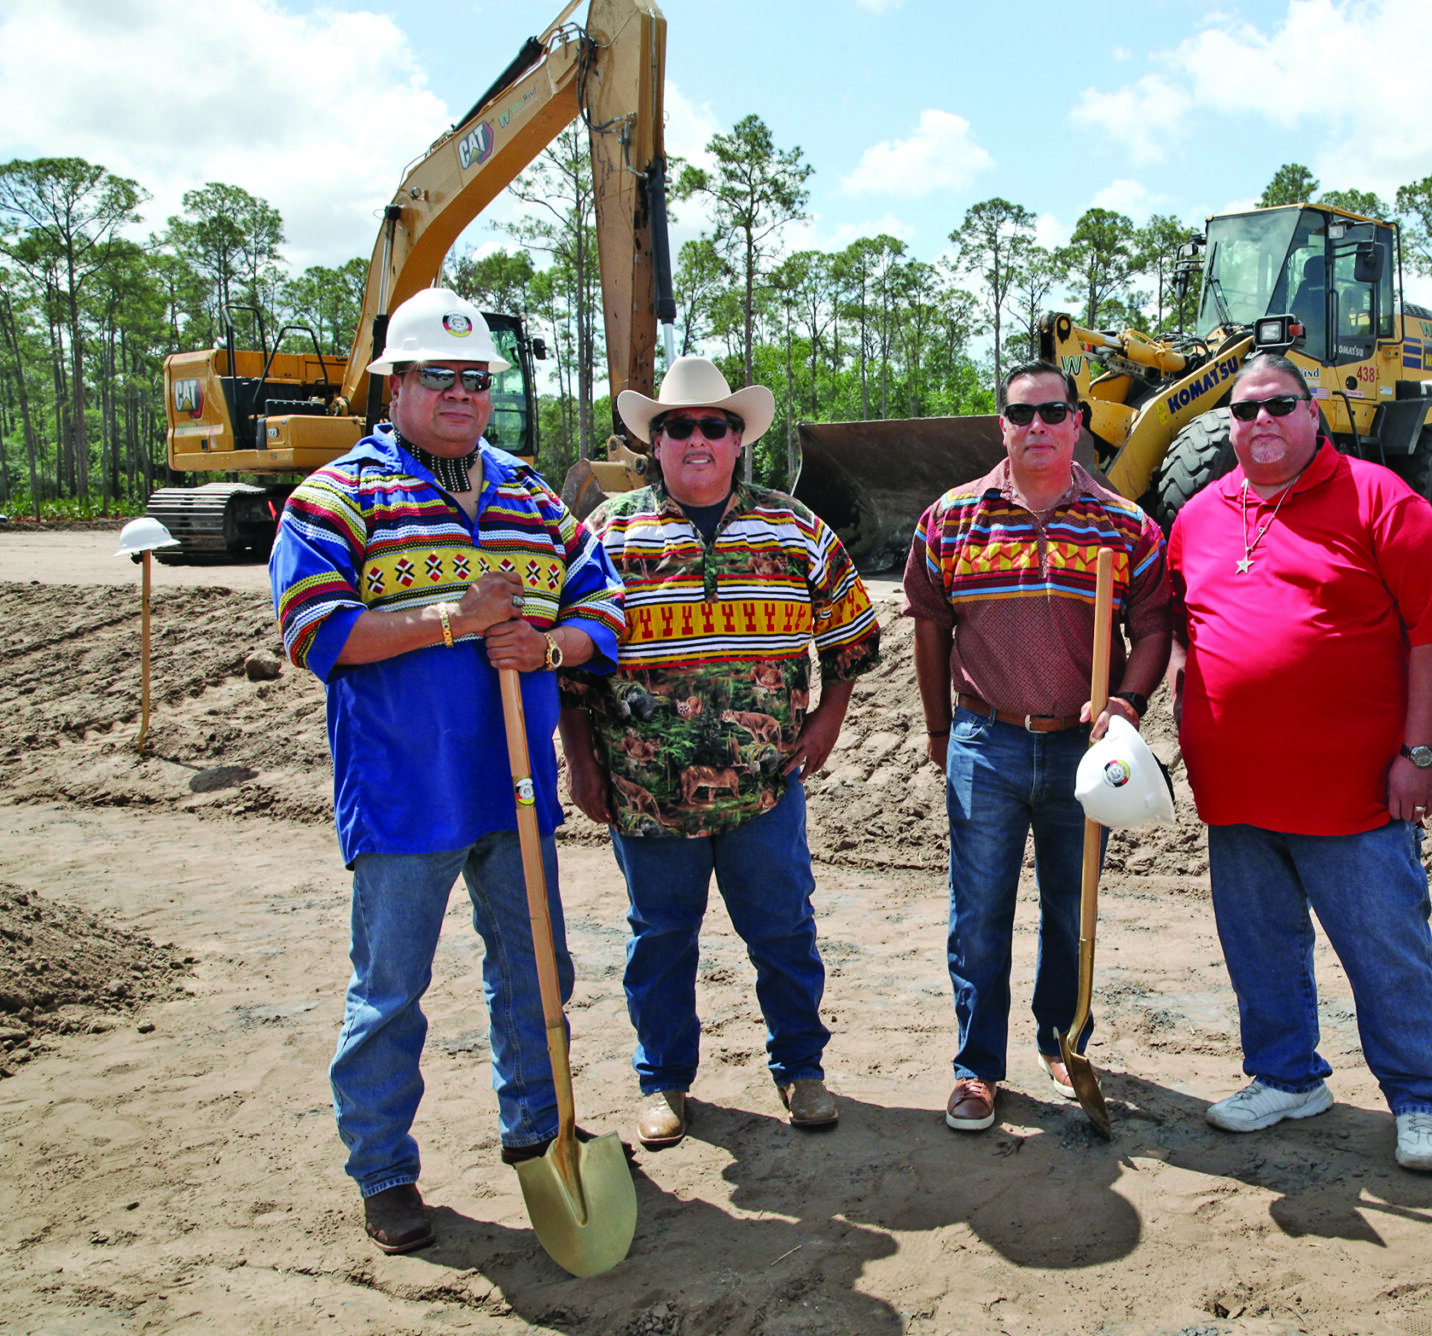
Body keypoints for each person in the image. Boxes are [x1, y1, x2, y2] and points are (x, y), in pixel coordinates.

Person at [269, 287, 624, 1256]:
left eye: (478, 380)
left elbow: (606, 610)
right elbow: (313, 631)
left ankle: (538, 1127)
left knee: (536, 971)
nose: (463, 395)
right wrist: (448, 622)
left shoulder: (531, 496)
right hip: (402, 789)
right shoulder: (335, 498)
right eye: (441, 377)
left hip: (514, 786)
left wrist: (549, 650)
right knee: (389, 989)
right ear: (396, 385)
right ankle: (383, 1170)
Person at [559, 356, 880, 1148]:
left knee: (782, 930)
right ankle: (663, 1081)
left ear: (739, 440)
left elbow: (850, 638)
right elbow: (568, 665)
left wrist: (828, 721)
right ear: (654, 442)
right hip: (644, 791)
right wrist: (582, 761)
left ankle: (801, 1069)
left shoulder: (794, 527)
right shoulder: (607, 534)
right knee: (660, 939)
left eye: (714, 426)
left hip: (767, 784)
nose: (696, 439)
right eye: (678, 427)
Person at [1167, 351, 1432, 1172]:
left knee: (1384, 946)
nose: (1261, 421)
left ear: (1314, 412)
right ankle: (1286, 1075)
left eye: (1279, 405)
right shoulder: (1197, 517)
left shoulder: (1383, 500)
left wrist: (1421, 751)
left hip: (1357, 791)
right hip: (1235, 790)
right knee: (1258, 944)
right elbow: (1188, 637)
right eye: (1245, 409)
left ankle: (1420, 1097)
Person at [903, 360, 1171, 1132]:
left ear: (1077, 423)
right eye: (1023, 415)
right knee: (979, 913)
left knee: (1069, 907)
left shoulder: (1123, 525)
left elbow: (1154, 624)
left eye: (1054, 413)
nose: (1039, 428)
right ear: (1003, 426)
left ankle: (1061, 1039)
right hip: (987, 740)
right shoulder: (953, 520)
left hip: (1082, 750)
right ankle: (976, 1067)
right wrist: (936, 727)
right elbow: (930, 624)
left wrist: (1126, 700)